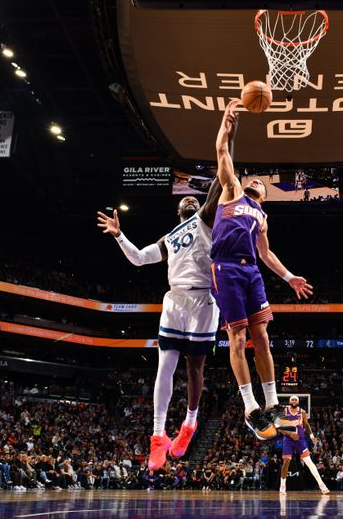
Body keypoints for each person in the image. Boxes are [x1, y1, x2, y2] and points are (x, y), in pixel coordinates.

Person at [98, 169, 223, 471]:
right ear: (178, 211)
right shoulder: (169, 238)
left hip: (204, 299)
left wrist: (226, 153)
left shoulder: (205, 219)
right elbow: (139, 258)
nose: (192, 199)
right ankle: (157, 437)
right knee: (164, 367)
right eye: (187, 199)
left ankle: (189, 426)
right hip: (175, 300)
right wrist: (118, 235)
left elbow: (219, 186)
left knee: (195, 367)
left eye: (196, 198)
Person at [211, 100, 313, 440]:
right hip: (225, 267)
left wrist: (289, 277)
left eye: (261, 184)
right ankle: (249, 407)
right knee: (237, 338)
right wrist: (226, 124)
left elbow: (267, 255)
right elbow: (222, 152)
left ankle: (271, 403)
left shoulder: (263, 217)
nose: (255, 182)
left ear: (265, 196)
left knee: (263, 337)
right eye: (252, 180)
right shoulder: (232, 191)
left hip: (252, 272)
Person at [278, 396, 329, 494]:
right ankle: (283, 486)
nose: (294, 401)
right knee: (286, 462)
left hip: (300, 440)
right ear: (289, 401)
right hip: (288, 440)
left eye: (295, 400)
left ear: (298, 402)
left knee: (309, 462)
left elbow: (306, 424)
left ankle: (322, 485)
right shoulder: (284, 411)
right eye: (292, 399)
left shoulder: (302, 412)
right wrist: (290, 434)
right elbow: (279, 427)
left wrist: (311, 436)